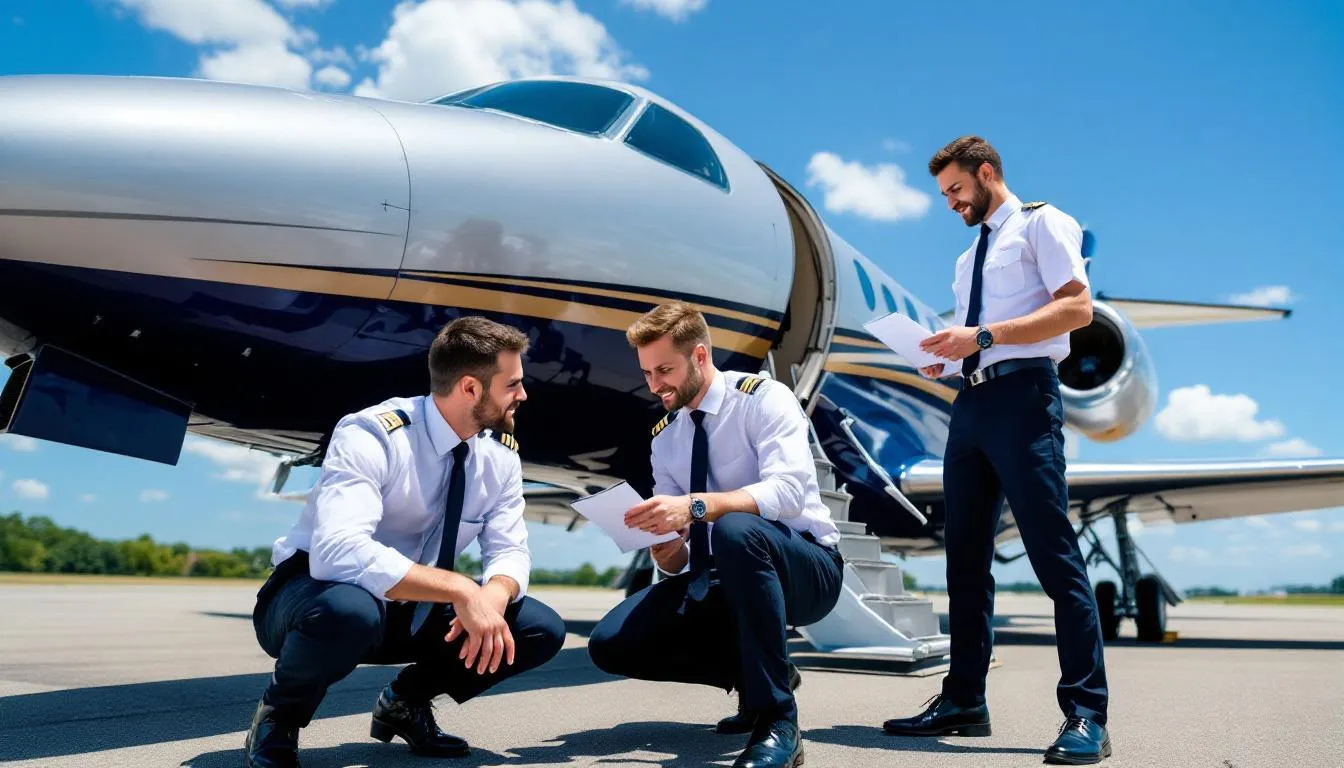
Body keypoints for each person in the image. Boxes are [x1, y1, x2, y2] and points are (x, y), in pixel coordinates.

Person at [244, 316, 566, 768]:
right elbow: (337, 551)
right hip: (313, 597)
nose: (523, 394)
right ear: (470, 388)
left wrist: (492, 597)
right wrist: (460, 589)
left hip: (412, 608)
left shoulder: (500, 459)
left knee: (537, 628)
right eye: (512, 384)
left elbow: (510, 550)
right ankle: (279, 716)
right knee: (349, 610)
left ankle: (404, 702)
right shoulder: (373, 433)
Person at [880, 136, 1111, 765]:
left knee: (1055, 559)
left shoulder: (1042, 223)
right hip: (971, 406)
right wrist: (946, 358)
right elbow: (976, 340)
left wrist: (981, 336)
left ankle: (1086, 714)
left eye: (956, 189)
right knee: (964, 562)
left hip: (1025, 401)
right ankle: (963, 701)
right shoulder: (965, 260)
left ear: (987, 173)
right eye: (944, 194)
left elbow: (1076, 308)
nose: (951, 203)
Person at [587, 301, 844, 768]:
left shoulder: (763, 398)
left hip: (806, 569)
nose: (655, 385)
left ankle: (778, 722)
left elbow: (788, 492)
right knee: (611, 643)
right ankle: (759, 675)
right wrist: (667, 549)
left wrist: (694, 505)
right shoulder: (665, 436)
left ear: (700, 356)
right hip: (724, 576)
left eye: (665, 369)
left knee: (735, 528)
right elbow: (681, 557)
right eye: (647, 373)